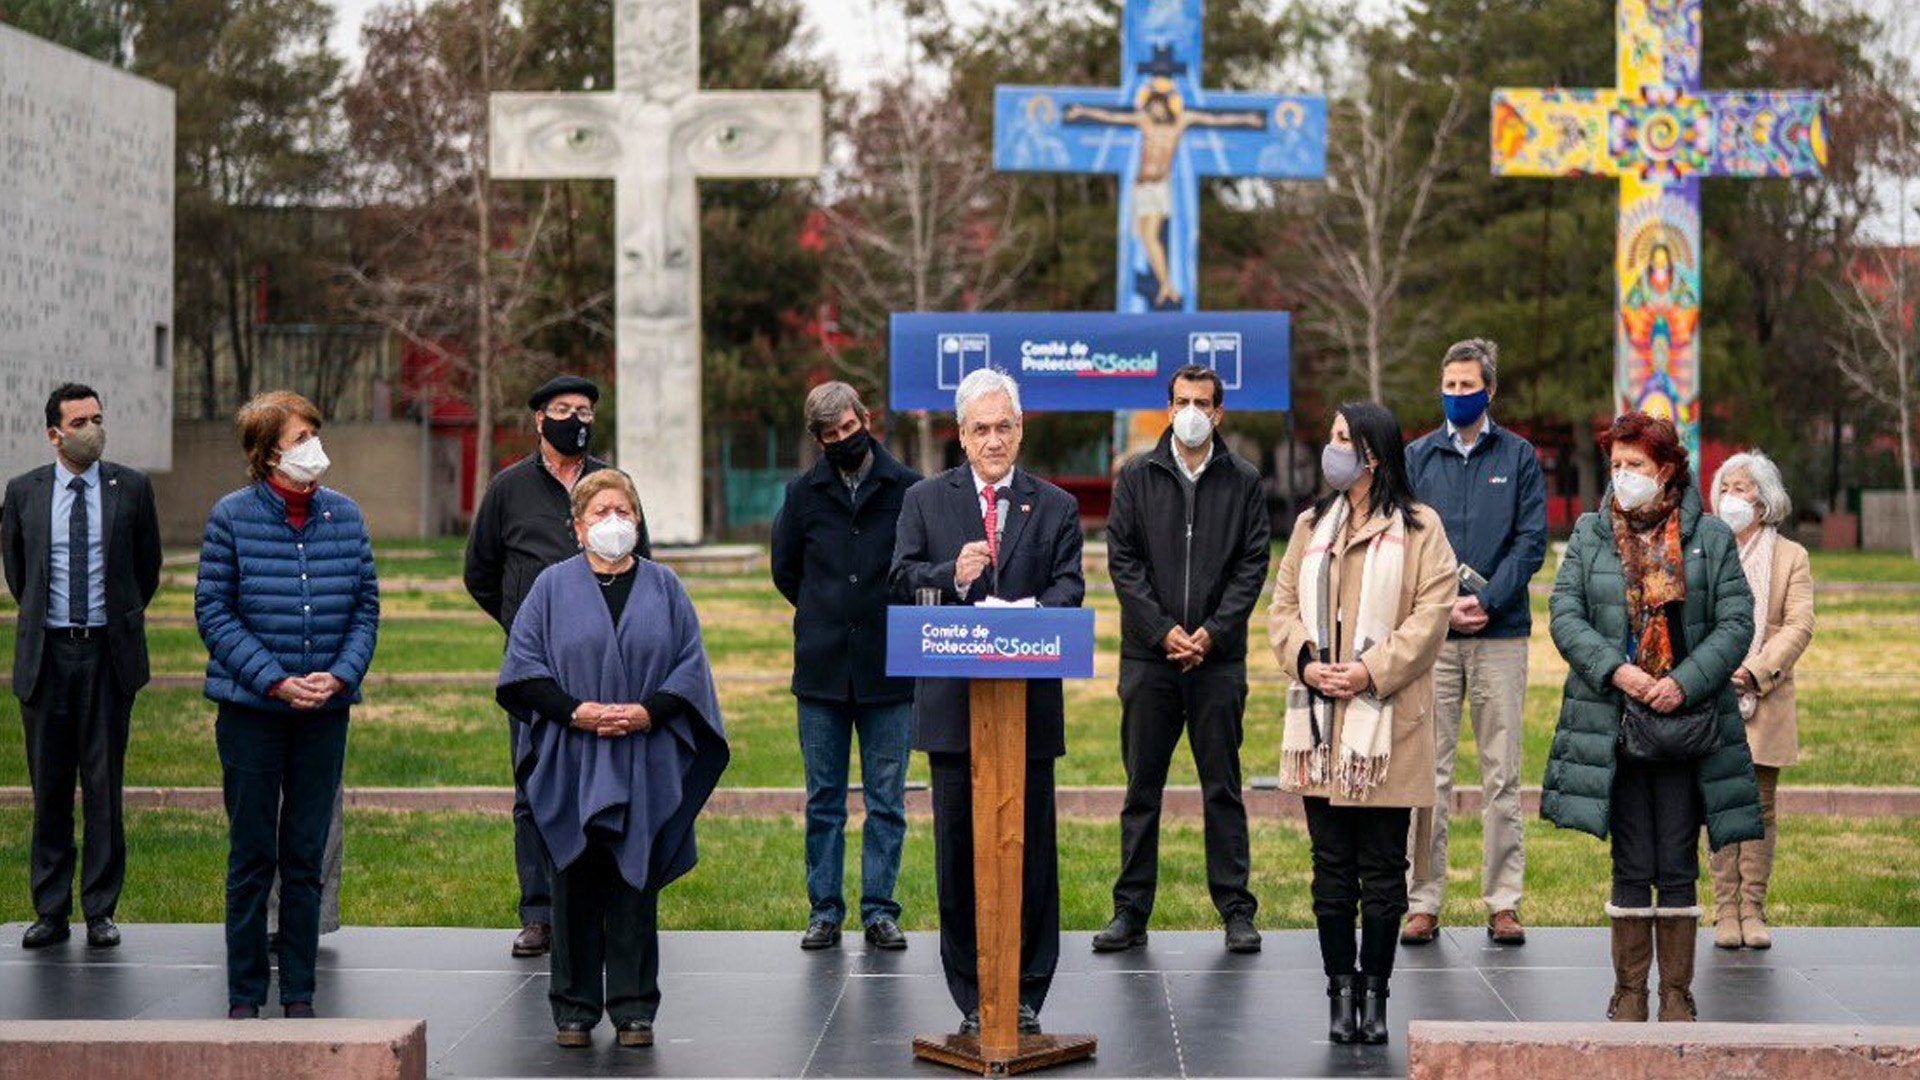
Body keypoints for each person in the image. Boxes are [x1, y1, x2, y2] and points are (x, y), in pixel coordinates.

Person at [497, 469, 728, 1049]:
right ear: (577, 527)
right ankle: (573, 1009)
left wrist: (649, 712)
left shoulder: (666, 587)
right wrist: (576, 712)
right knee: (573, 881)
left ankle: (633, 1008)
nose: (613, 523)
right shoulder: (549, 588)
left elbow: (690, 668)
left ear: (638, 519)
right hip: (570, 758)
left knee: (634, 880)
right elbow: (524, 671)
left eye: (623, 511)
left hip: (644, 756)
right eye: (599, 513)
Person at [1542, 411, 1761, 1023]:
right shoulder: (1590, 533)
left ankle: (1677, 995)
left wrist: (1683, 683)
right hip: (1616, 721)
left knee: (1677, 857)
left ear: (1665, 470)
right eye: (1615, 466)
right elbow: (1566, 614)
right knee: (1632, 859)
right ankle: (1630, 994)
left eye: (1634, 466)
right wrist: (1620, 671)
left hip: (1691, 725)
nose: (1622, 477)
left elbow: (1736, 623)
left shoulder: (1711, 538)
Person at [890, 368, 1085, 1037]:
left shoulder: (1054, 506)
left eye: (1005, 426)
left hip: (1027, 713)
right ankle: (972, 991)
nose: (994, 439)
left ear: (1020, 429)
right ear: (961, 436)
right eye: (981, 429)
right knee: (959, 857)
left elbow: (1070, 589)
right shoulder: (924, 501)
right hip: (953, 712)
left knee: (1030, 856)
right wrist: (952, 575)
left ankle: (1028, 989)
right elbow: (900, 581)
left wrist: (1028, 616)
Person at [1269, 401, 1455, 1047]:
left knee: (1381, 871)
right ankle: (1338, 996)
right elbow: (1283, 605)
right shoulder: (1310, 524)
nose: (1332, 448)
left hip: (1388, 726)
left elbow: (1432, 618)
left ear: (1373, 455)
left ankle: (1375, 998)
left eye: (1343, 438)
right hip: (1320, 726)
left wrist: (1370, 671)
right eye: (1332, 437)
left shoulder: (1422, 529)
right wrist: (1307, 662)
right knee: (1330, 871)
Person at [195, 391, 380, 1019]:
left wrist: (342, 675)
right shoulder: (231, 517)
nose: (313, 448)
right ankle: (246, 994)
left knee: (305, 856)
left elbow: (365, 607)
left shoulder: (345, 517)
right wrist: (274, 680)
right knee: (253, 856)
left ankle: (299, 991)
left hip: (324, 714)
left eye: (314, 434)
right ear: (265, 451)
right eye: (300, 437)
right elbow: (213, 612)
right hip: (251, 712)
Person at [466, 374, 652, 960]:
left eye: (586, 410)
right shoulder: (508, 489)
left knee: (604, 786)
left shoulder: (611, 486)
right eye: (564, 409)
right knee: (534, 786)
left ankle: (599, 907)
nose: (577, 418)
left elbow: (642, 565)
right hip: (537, 674)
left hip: (608, 669)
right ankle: (539, 912)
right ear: (539, 420)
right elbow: (481, 572)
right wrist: (525, 630)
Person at [1097, 364, 1269, 956]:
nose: (1191, 411)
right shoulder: (1135, 476)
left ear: (1218, 413)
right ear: (1167, 407)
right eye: (1181, 400)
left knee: (1222, 788)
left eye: (1202, 402)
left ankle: (1236, 910)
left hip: (1218, 663)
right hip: (1149, 661)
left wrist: (1212, 635)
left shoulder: (1244, 479)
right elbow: (1123, 562)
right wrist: (1163, 629)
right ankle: (1129, 911)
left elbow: (1253, 565)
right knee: (1141, 789)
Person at [2, 384, 162, 950]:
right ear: (54, 434)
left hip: (106, 656)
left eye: (98, 417)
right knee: (49, 790)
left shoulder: (133, 489)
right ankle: (50, 910)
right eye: (80, 421)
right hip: (46, 658)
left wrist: (109, 622)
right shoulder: (23, 493)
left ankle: (100, 910)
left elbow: (146, 571)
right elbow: (21, 576)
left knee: (102, 786)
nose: (93, 428)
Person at [1402, 339, 1547, 946]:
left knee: (1501, 775)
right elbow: (1403, 540)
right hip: (1431, 640)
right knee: (1424, 776)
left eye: (1468, 386)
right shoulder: (1416, 457)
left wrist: (1484, 601)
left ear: (1490, 390)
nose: (1457, 395)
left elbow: (1531, 541)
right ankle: (1423, 900)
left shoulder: (1518, 457)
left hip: (1500, 636)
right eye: (1450, 385)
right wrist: (1441, 608)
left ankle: (1503, 902)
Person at [770, 382, 921, 951]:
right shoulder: (801, 494)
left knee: (887, 799)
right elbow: (787, 571)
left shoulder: (908, 488)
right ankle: (824, 910)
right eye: (829, 436)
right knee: (824, 799)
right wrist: (825, 611)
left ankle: (880, 909)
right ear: (817, 439)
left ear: (866, 419)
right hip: (822, 670)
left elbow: (918, 563)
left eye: (848, 430)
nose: (841, 441)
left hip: (890, 668)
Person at [1708, 450, 1813, 951]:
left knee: (1760, 807)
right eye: (1725, 487)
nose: (1732, 496)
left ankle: (1753, 906)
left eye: (1743, 487)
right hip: (1712, 697)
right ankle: (1725, 908)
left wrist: (1754, 671)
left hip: (1764, 697)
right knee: (1721, 805)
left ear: (1764, 498)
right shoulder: (1705, 549)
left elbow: (1799, 625)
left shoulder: (1792, 557)